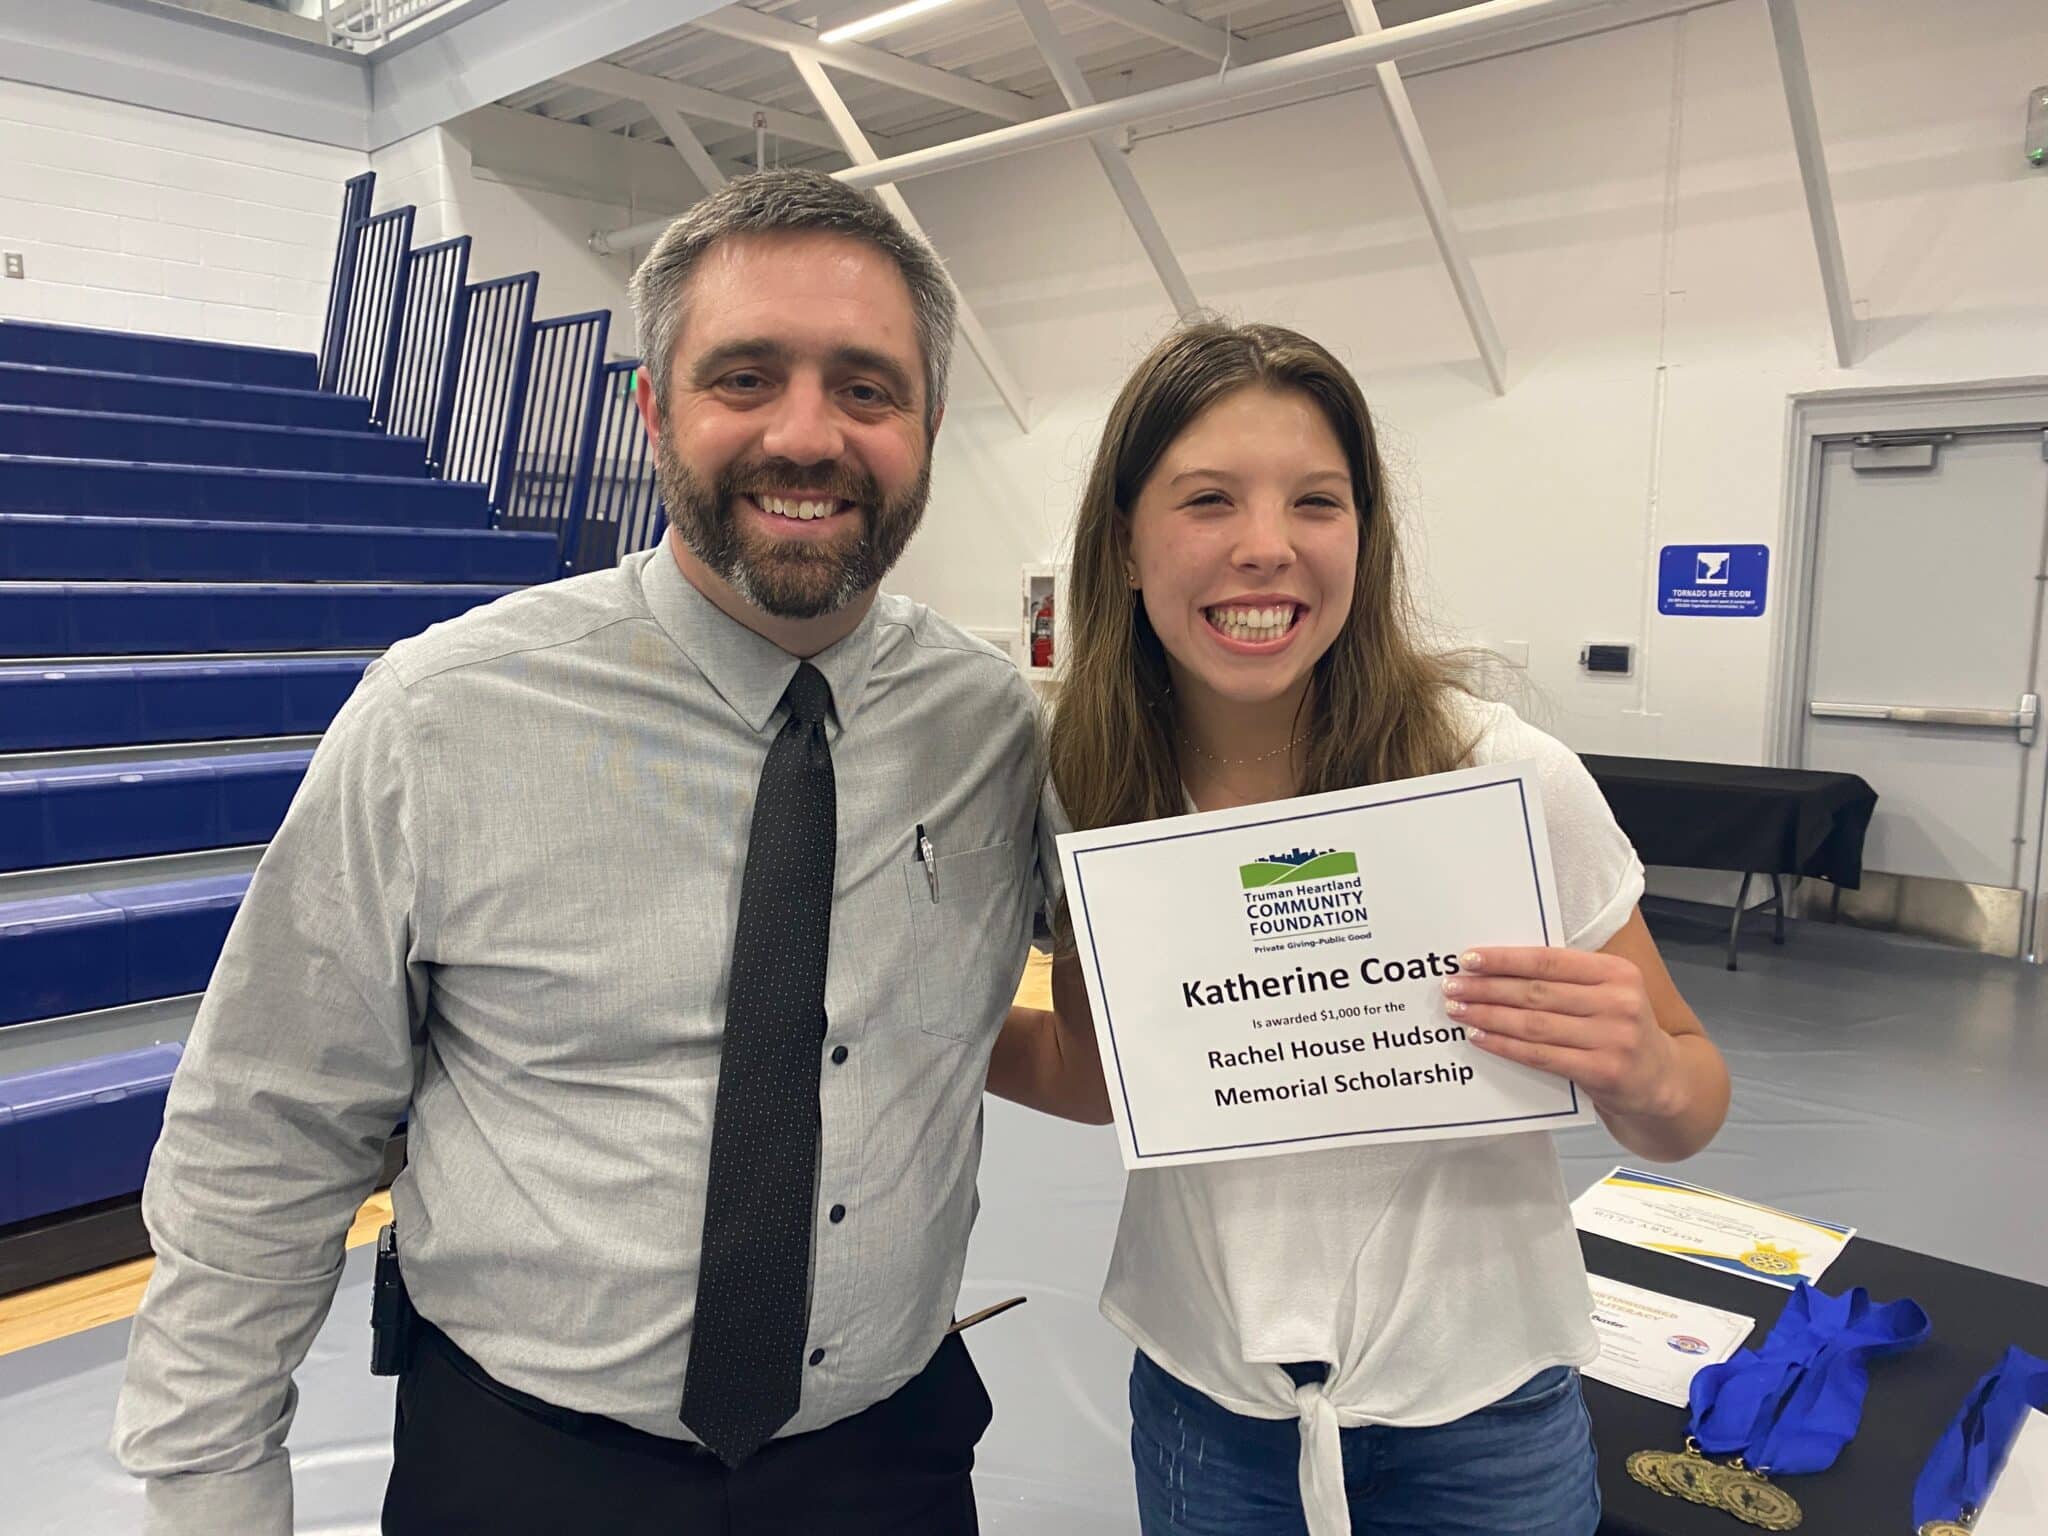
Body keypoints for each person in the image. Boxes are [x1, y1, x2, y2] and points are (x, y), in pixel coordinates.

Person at [114, 169, 1061, 1536]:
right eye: (746, 376)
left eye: (867, 389)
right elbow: (264, 1127)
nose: (810, 435)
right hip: (526, 1471)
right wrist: (209, 1492)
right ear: (653, 409)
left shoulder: (992, 728)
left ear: (926, 424)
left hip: (886, 1465)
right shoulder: (441, 717)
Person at [997, 320, 1731, 1536]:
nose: (1265, 548)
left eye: (1315, 502)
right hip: (1205, 1405)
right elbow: (1097, 1076)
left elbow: (1686, 1102)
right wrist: (899, 1031)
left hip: (1481, 1416)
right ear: (1124, 544)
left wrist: (1641, 1069)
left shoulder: (1496, 772)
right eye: (1207, 501)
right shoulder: (1088, 782)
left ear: (1362, 535)